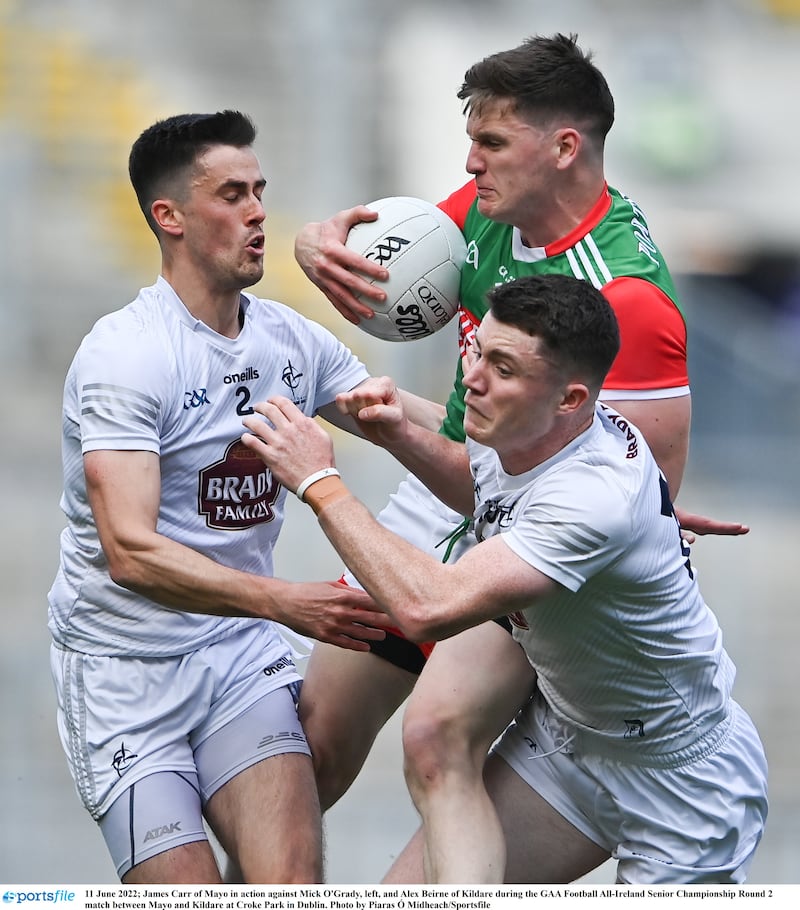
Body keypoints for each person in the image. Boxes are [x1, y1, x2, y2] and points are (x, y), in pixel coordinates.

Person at [290, 32, 748, 880]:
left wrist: (328, 473)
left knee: (435, 732)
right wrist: (315, 248)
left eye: (491, 142)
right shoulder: (483, 212)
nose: (469, 164)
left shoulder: (628, 303)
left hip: (520, 536)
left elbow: (620, 508)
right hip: (454, 486)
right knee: (311, 737)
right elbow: (389, 268)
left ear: (563, 146)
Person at [242, 273, 768, 884]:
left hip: (682, 782)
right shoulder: (524, 428)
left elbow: (428, 608)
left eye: (503, 367)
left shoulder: (591, 496)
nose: (473, 381)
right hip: (565, 743)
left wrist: (318, 482)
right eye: (476, 352)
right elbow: (481, 488)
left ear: (570, 399)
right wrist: (403, 435)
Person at [46, 110, 400, 884]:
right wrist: (282, 602)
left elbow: (416, 438)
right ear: (167, 216)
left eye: (260, 190)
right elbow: (130, 553)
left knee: (288, 887)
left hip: (236, 656)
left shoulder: (293, 342)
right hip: (123, 671)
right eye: (232, 193)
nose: (258, 211)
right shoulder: (126, 355)